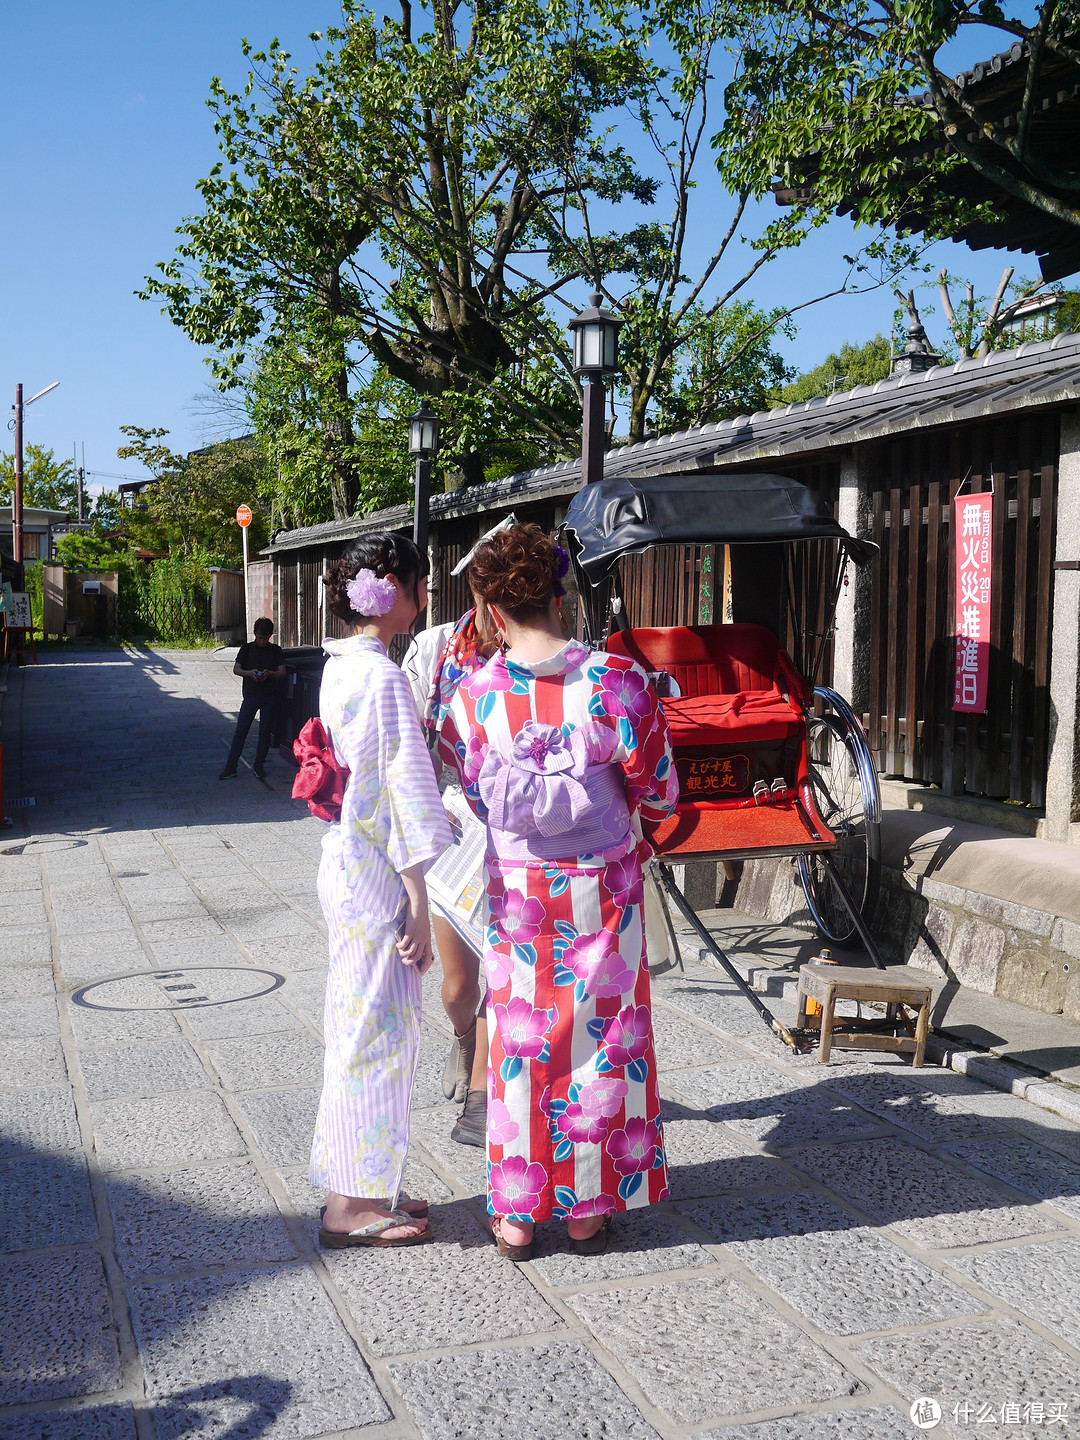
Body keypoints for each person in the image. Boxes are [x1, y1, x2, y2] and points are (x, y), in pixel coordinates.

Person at [438, 523, 679, 1260]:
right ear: (560, 594)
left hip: (519, 892)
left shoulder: (472, 696)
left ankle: (516, 1213)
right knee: (603, 1041)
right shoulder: (618, 681)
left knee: (520, 1042)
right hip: (603, 887)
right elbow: (661, 790)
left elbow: (477, 797)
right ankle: (586, 1210)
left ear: (489, 608)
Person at [310, 533, 452, 1248]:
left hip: (347, 862)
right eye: (419, 584)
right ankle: (353, 1206)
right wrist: (422, 905)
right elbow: (404, 794)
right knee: (376, 1035)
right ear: (392, 589)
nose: (425, 599)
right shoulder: (386, 678)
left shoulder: (341, 667)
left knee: (358, 1028)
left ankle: (363, 1183)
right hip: (375, 876)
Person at [403, 601, 499, 1146]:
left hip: (515, 834)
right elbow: (416, 733)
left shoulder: (540, 652)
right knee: (458, 986)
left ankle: (486, 1084)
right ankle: (465, 1038)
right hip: (457, 824)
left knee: (503, 979)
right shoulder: (443, 646)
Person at [219, 617, 286, 780]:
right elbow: (236, 669)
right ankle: (231, 765)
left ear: (270, 636)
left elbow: (282, 672)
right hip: (250, 696)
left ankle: (259, 765)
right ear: (255, 634)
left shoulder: (276, 650)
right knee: (241, 731)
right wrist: (250, 673)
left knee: (264, 732)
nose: (262, 641)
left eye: (265, 638)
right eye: (259, 637)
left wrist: (269, 674)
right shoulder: (247, 649)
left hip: (269, 696)